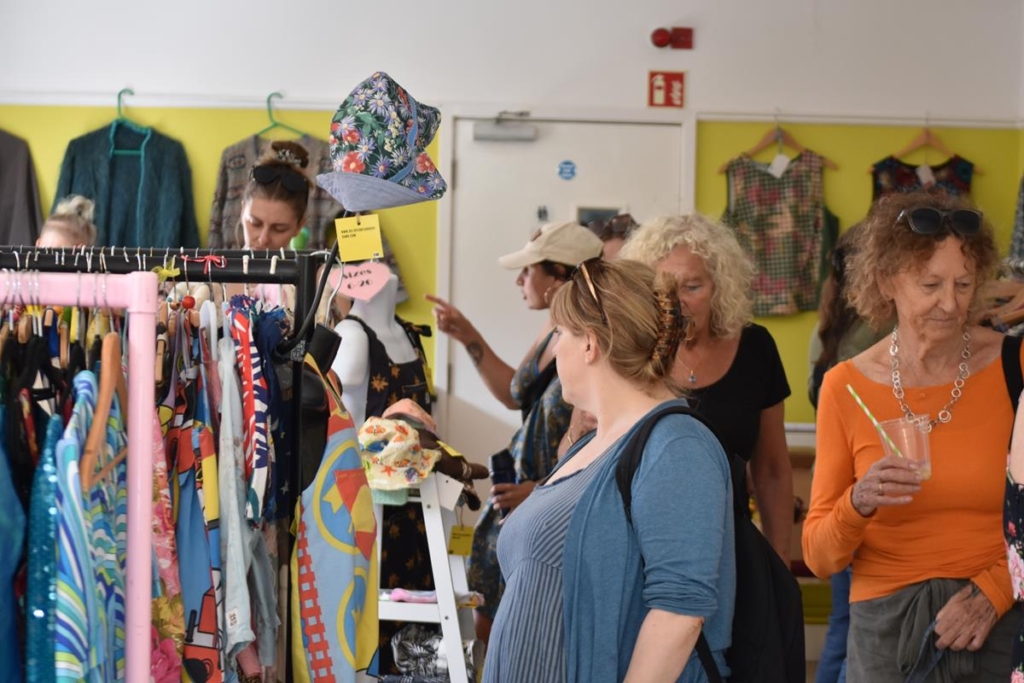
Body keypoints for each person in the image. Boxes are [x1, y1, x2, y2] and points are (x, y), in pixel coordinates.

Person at [482, 257, 735, 683]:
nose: (555, 347)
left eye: (560, 332)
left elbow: (679, 613)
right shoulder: (593, 443)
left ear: (590, 344)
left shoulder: (677, 446)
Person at [803, 190, 1018, 681]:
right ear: (886, 282)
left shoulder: (1015, 367)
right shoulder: (845, 386)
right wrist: (858, 501)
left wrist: (997, 592)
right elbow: (819, 555)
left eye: (964, 284)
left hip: (996, 619)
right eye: (930, 284)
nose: (950, 303)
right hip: (885, 632)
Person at [427, 220, 603, 642]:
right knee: (487, 623)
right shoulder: (552, 328)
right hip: (516, 499)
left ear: (560, 275)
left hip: (549, 504)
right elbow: (514, 392)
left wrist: (542, 489)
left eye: (529, 270)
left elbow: (603, 434)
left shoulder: (595, 338)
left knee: (520, 630)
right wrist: (467, 336)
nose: (520, 281)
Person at [620, 214, 794, 564]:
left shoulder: (755, 347)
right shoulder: (631, 350)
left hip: (727, 548)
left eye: (692, 286)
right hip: (638, 546)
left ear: (719, 287)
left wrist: (779, 563)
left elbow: (772, 469)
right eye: (664, 287)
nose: (677, 299)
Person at [807, 224, 885, 683]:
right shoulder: (882, 339)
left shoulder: (826, 331)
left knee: (843, 622)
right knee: (859, 629)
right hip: (870, 490)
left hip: (832, 483)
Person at [240, 140, 311, 250]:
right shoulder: (210, 266)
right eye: (255, 223)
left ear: (299, 226)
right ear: (243, 210)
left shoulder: (321, 267)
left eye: (279, 229)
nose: (263, 239)